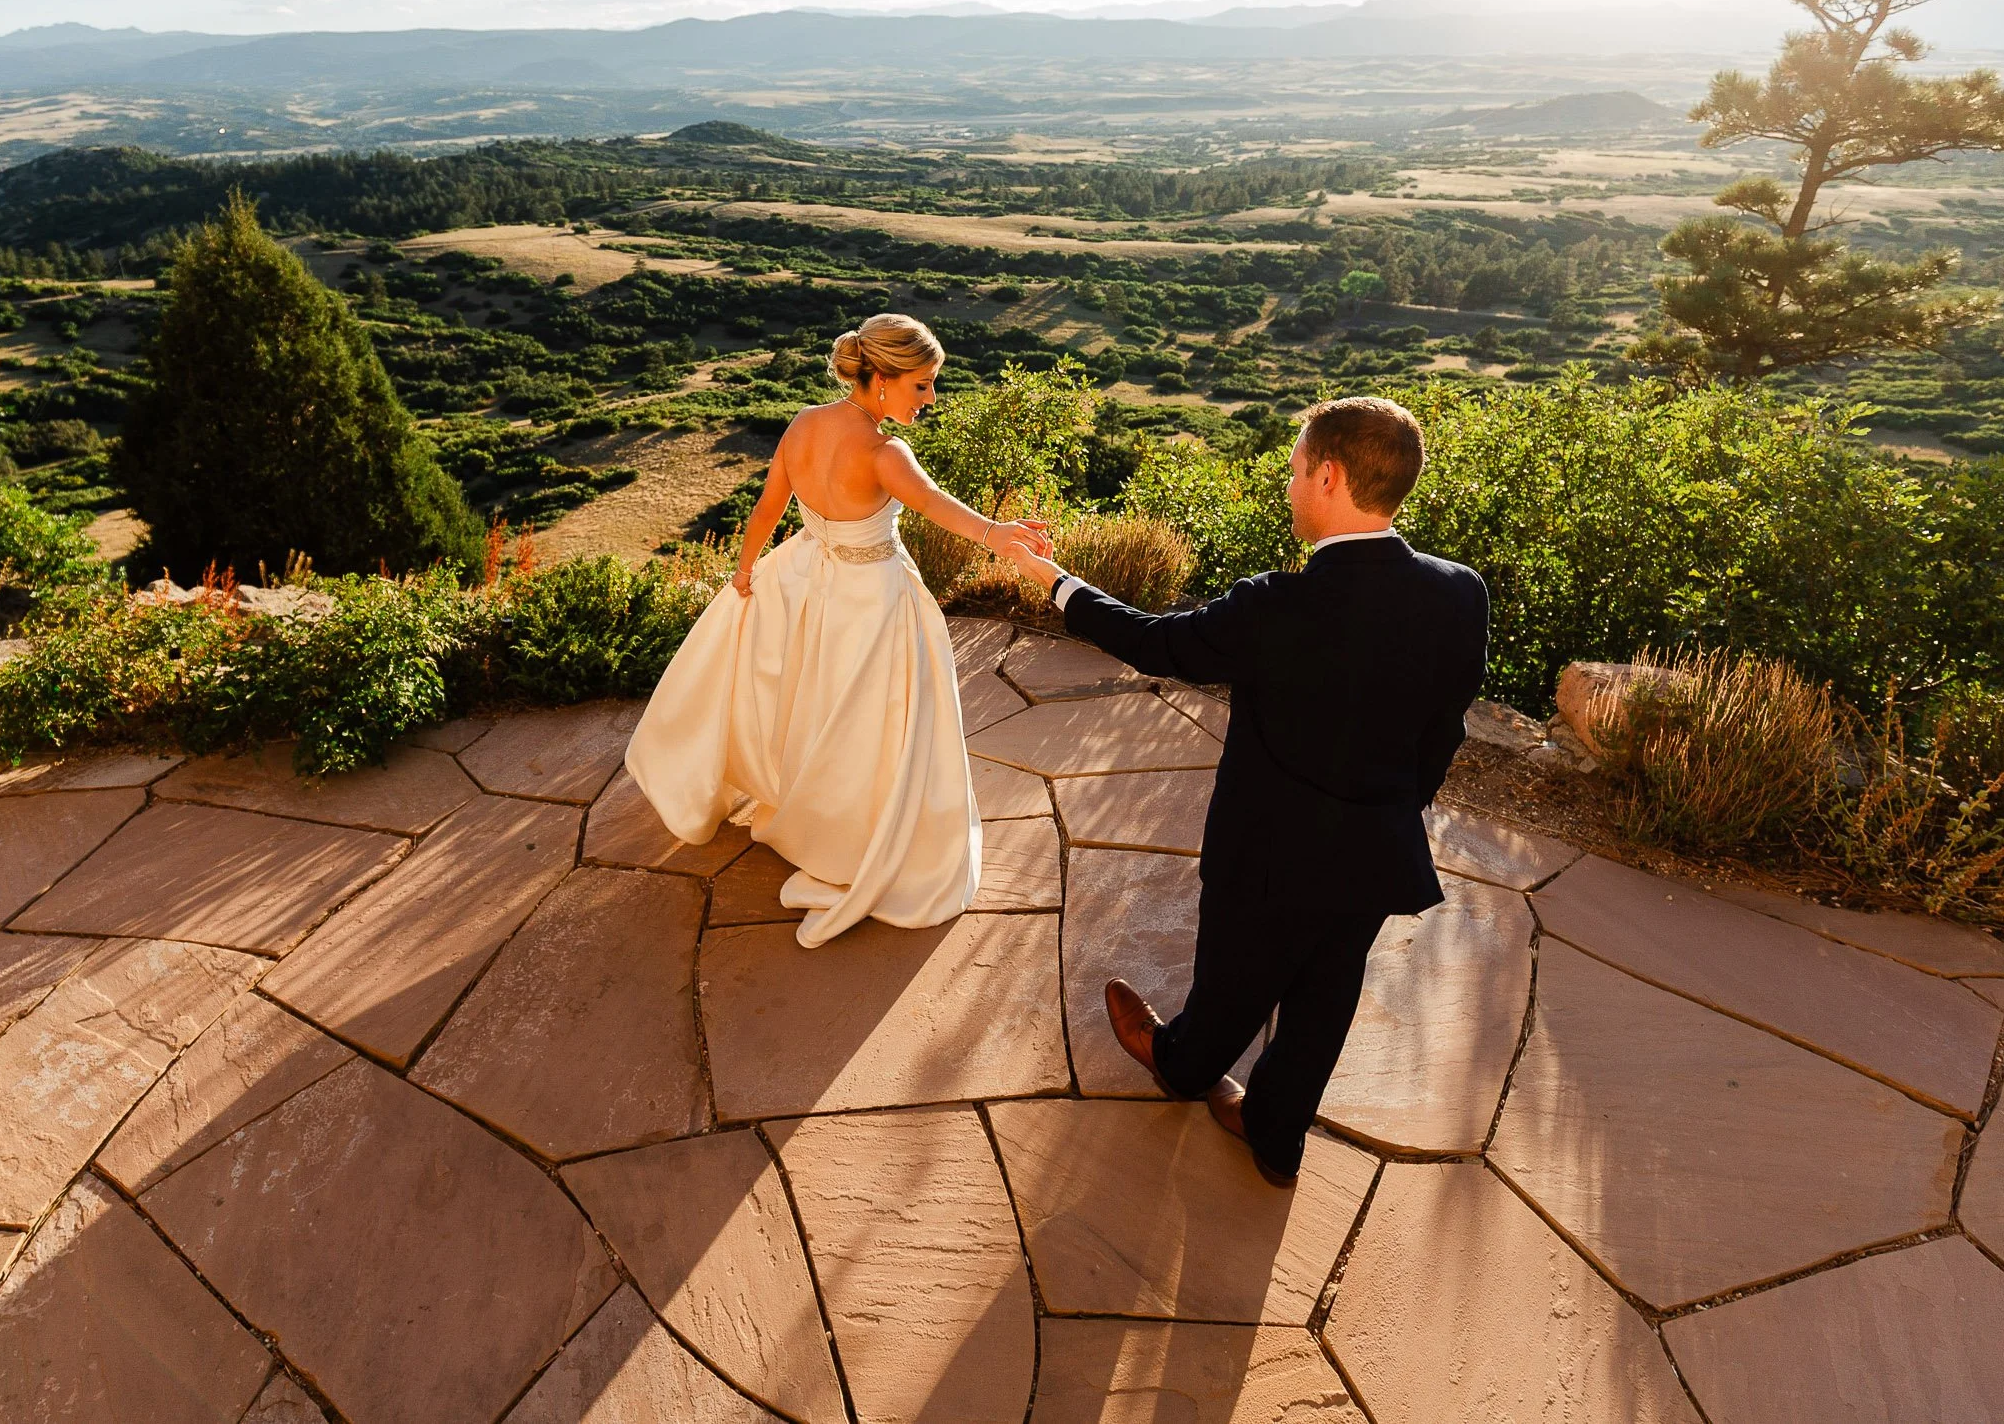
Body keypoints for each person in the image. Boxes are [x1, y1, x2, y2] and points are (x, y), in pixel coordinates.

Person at [1001, 395, 1488, 1185]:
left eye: (1295, 470)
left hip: (1268, 850)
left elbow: (1156, 643)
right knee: (1326, 997)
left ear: (1328, 476)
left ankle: (1184, 1066)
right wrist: (1401, 804)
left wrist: (1054, 581)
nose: (1289, 484)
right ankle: (1276, 1134)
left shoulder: (1277, 605)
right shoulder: (1461, 591)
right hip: (1376, 847)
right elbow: (1445, 725)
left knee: (1234, 977)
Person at [626, 313, 1049, 948]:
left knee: (816, 704)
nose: (931, 399)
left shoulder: (802, 425)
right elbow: (936, 507)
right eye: (922, 386)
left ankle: (815, 815)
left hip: (807, 583)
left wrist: (745, 571)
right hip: (871, 599)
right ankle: (857, 833)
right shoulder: (885, 452)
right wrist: (1001, 537)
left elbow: (769, 506)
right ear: (880, 378)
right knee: (876, 723)